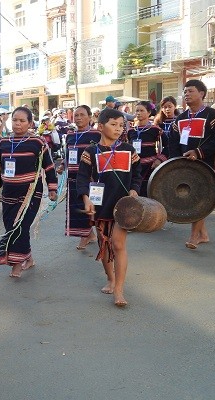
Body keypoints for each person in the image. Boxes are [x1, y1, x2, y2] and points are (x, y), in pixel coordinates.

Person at [76, 108, 142, 307]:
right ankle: (110, 278)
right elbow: (82, 178)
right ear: (100, 126)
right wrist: (86, 199)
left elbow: (138, 174)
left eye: (121, 125)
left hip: (123, 206)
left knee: (118, 244)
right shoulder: (91, 151)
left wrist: (134, 190)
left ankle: (119, 289)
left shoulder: (129, 150)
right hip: (99, 205)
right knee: (104, 244)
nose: (118, 129)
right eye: (113, 124)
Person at [0, 107, 58, 278]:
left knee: (21, 226)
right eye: (15, 120)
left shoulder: (37, 143)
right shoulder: (4, 143)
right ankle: (28, 257)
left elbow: (49, 166)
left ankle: (16, 265)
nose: (17, 124)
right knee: (11, 227)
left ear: (30, 123)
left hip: (30, 193)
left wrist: (52, 188)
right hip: (8, 194)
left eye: (22, 121)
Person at [170, 79, 215, 249]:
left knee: (200, 197)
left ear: (202, 93)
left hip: (206, 164)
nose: (186, 94)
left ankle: (194, 236)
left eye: (190, 91)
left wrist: (198, 152)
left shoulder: (214, 116)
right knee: (193, 197)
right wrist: (174, 163)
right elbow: (173, 144)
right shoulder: (179, 119)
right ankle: (203, 234)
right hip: (185, 165)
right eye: (185, 91)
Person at [59, 105, 102, 250]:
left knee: (91, 206)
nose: (78, 118)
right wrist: (63, 165)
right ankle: (88, 234)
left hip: (91, 178)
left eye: (82, 115)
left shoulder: (97, 135)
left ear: (90, 117)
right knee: (77, 208)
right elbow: (68, 154)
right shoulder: (71, 135)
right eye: (76, 115)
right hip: (73, 178)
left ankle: (88, 235)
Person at [127, 101, 166, 196]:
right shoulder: (131, 131)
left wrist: (159, 159)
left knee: (149, 193)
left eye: (141, 110)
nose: (138, 113)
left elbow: (168, 145)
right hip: (135, 168)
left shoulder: (155, 129)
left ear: (149, 112)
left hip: (150, 167)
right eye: (136, 111)